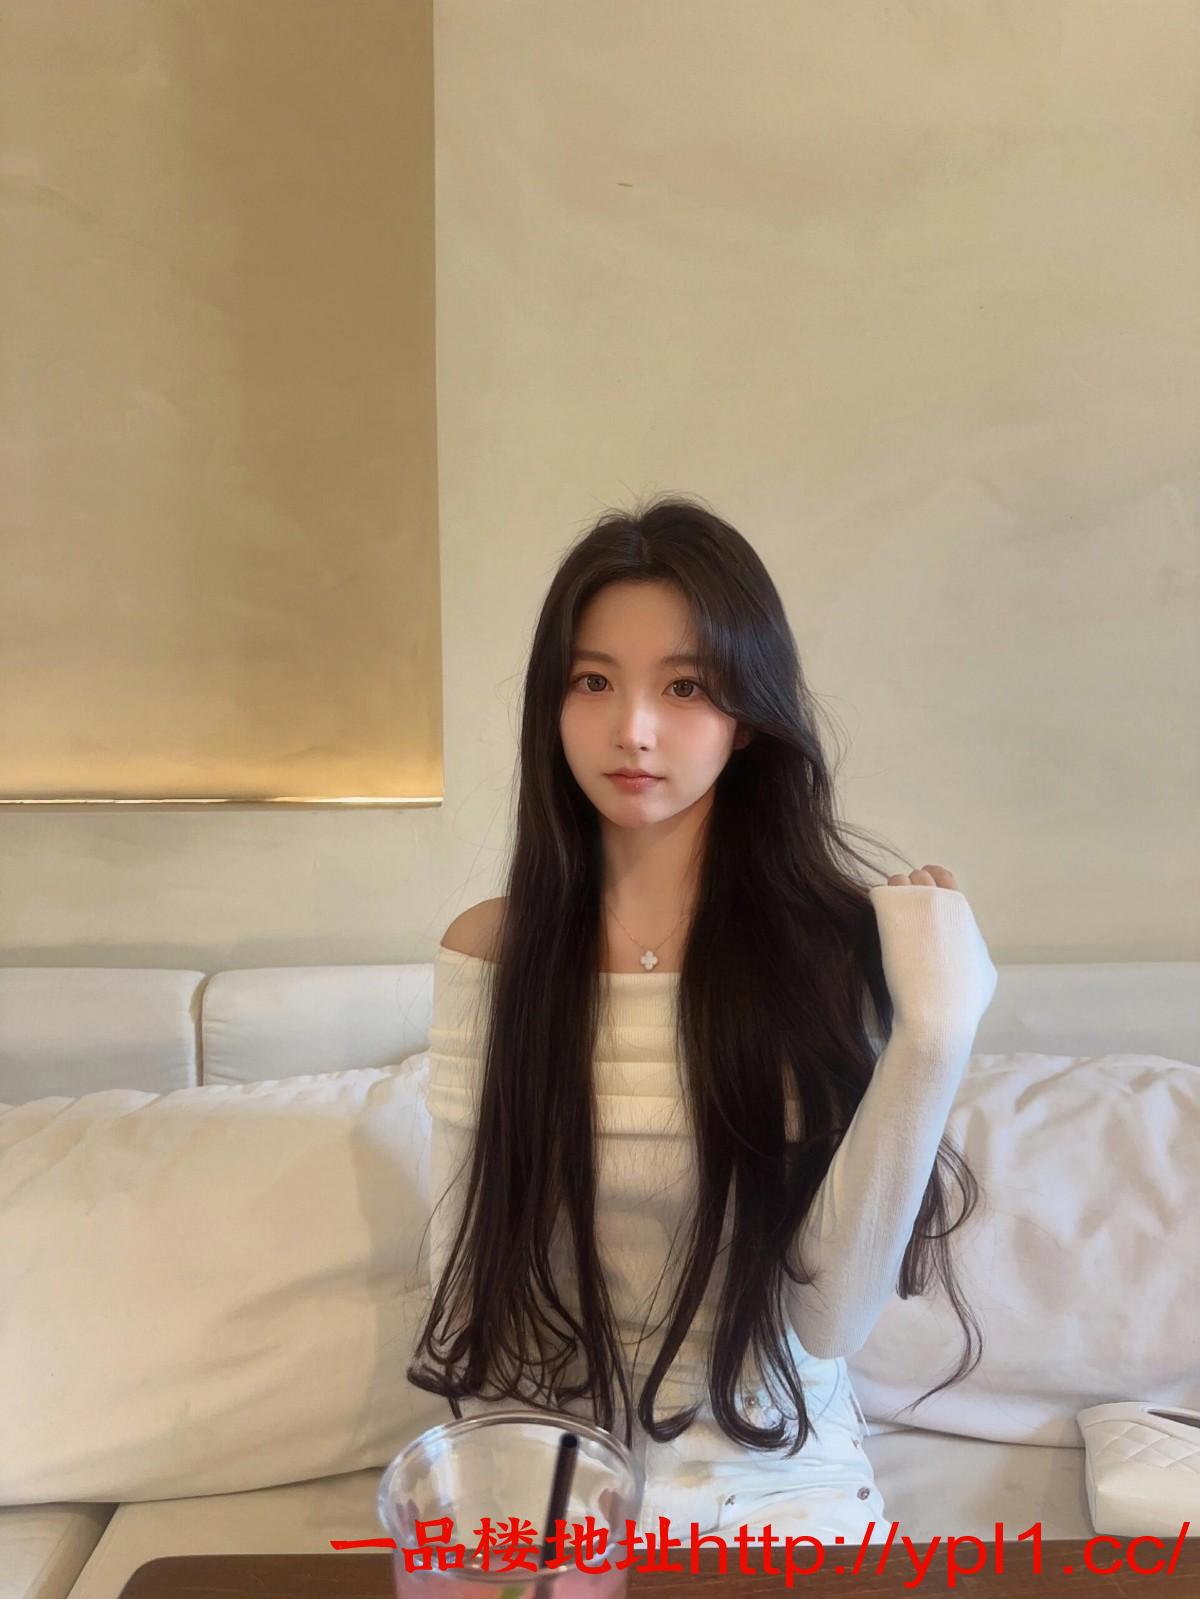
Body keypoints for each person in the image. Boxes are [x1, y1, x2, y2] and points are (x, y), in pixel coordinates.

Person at [407, 493, 999, 1548]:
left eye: (685, 686)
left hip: (780, 1466)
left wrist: (935, 1038)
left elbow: (826, 1319)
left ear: (748, 713)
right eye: (593, 681)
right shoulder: (494, 953)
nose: (632, 729)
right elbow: (473, 1290)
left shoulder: (835, 949)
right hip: (557, 1458)